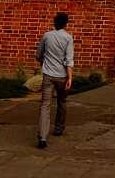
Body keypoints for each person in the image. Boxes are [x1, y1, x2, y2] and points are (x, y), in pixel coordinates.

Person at [35, 12, 74, 149]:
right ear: (66, 23)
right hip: (62, 75)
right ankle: (59, 128)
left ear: (54, 22)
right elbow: (69, 59)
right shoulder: (68, 38)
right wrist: (70, 77)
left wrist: (42, 61)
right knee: (62, 102)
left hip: (48, 75)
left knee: (45, 105)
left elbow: (39, 54)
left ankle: (43, 137)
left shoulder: (47, 36)